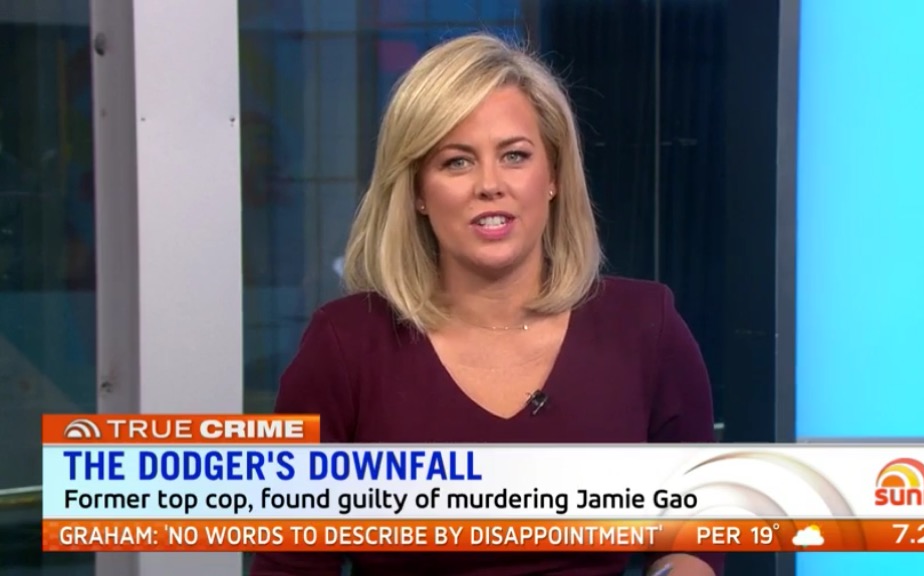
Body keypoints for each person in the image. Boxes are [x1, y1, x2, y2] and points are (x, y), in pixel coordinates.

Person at [249, 33, 723, 576]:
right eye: (457, 162)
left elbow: (697, 528)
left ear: (553, 176)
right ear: (418, 192)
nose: (490, 185)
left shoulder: (644, 328)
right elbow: (290, 563)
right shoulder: (346, 346)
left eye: (515, 156)